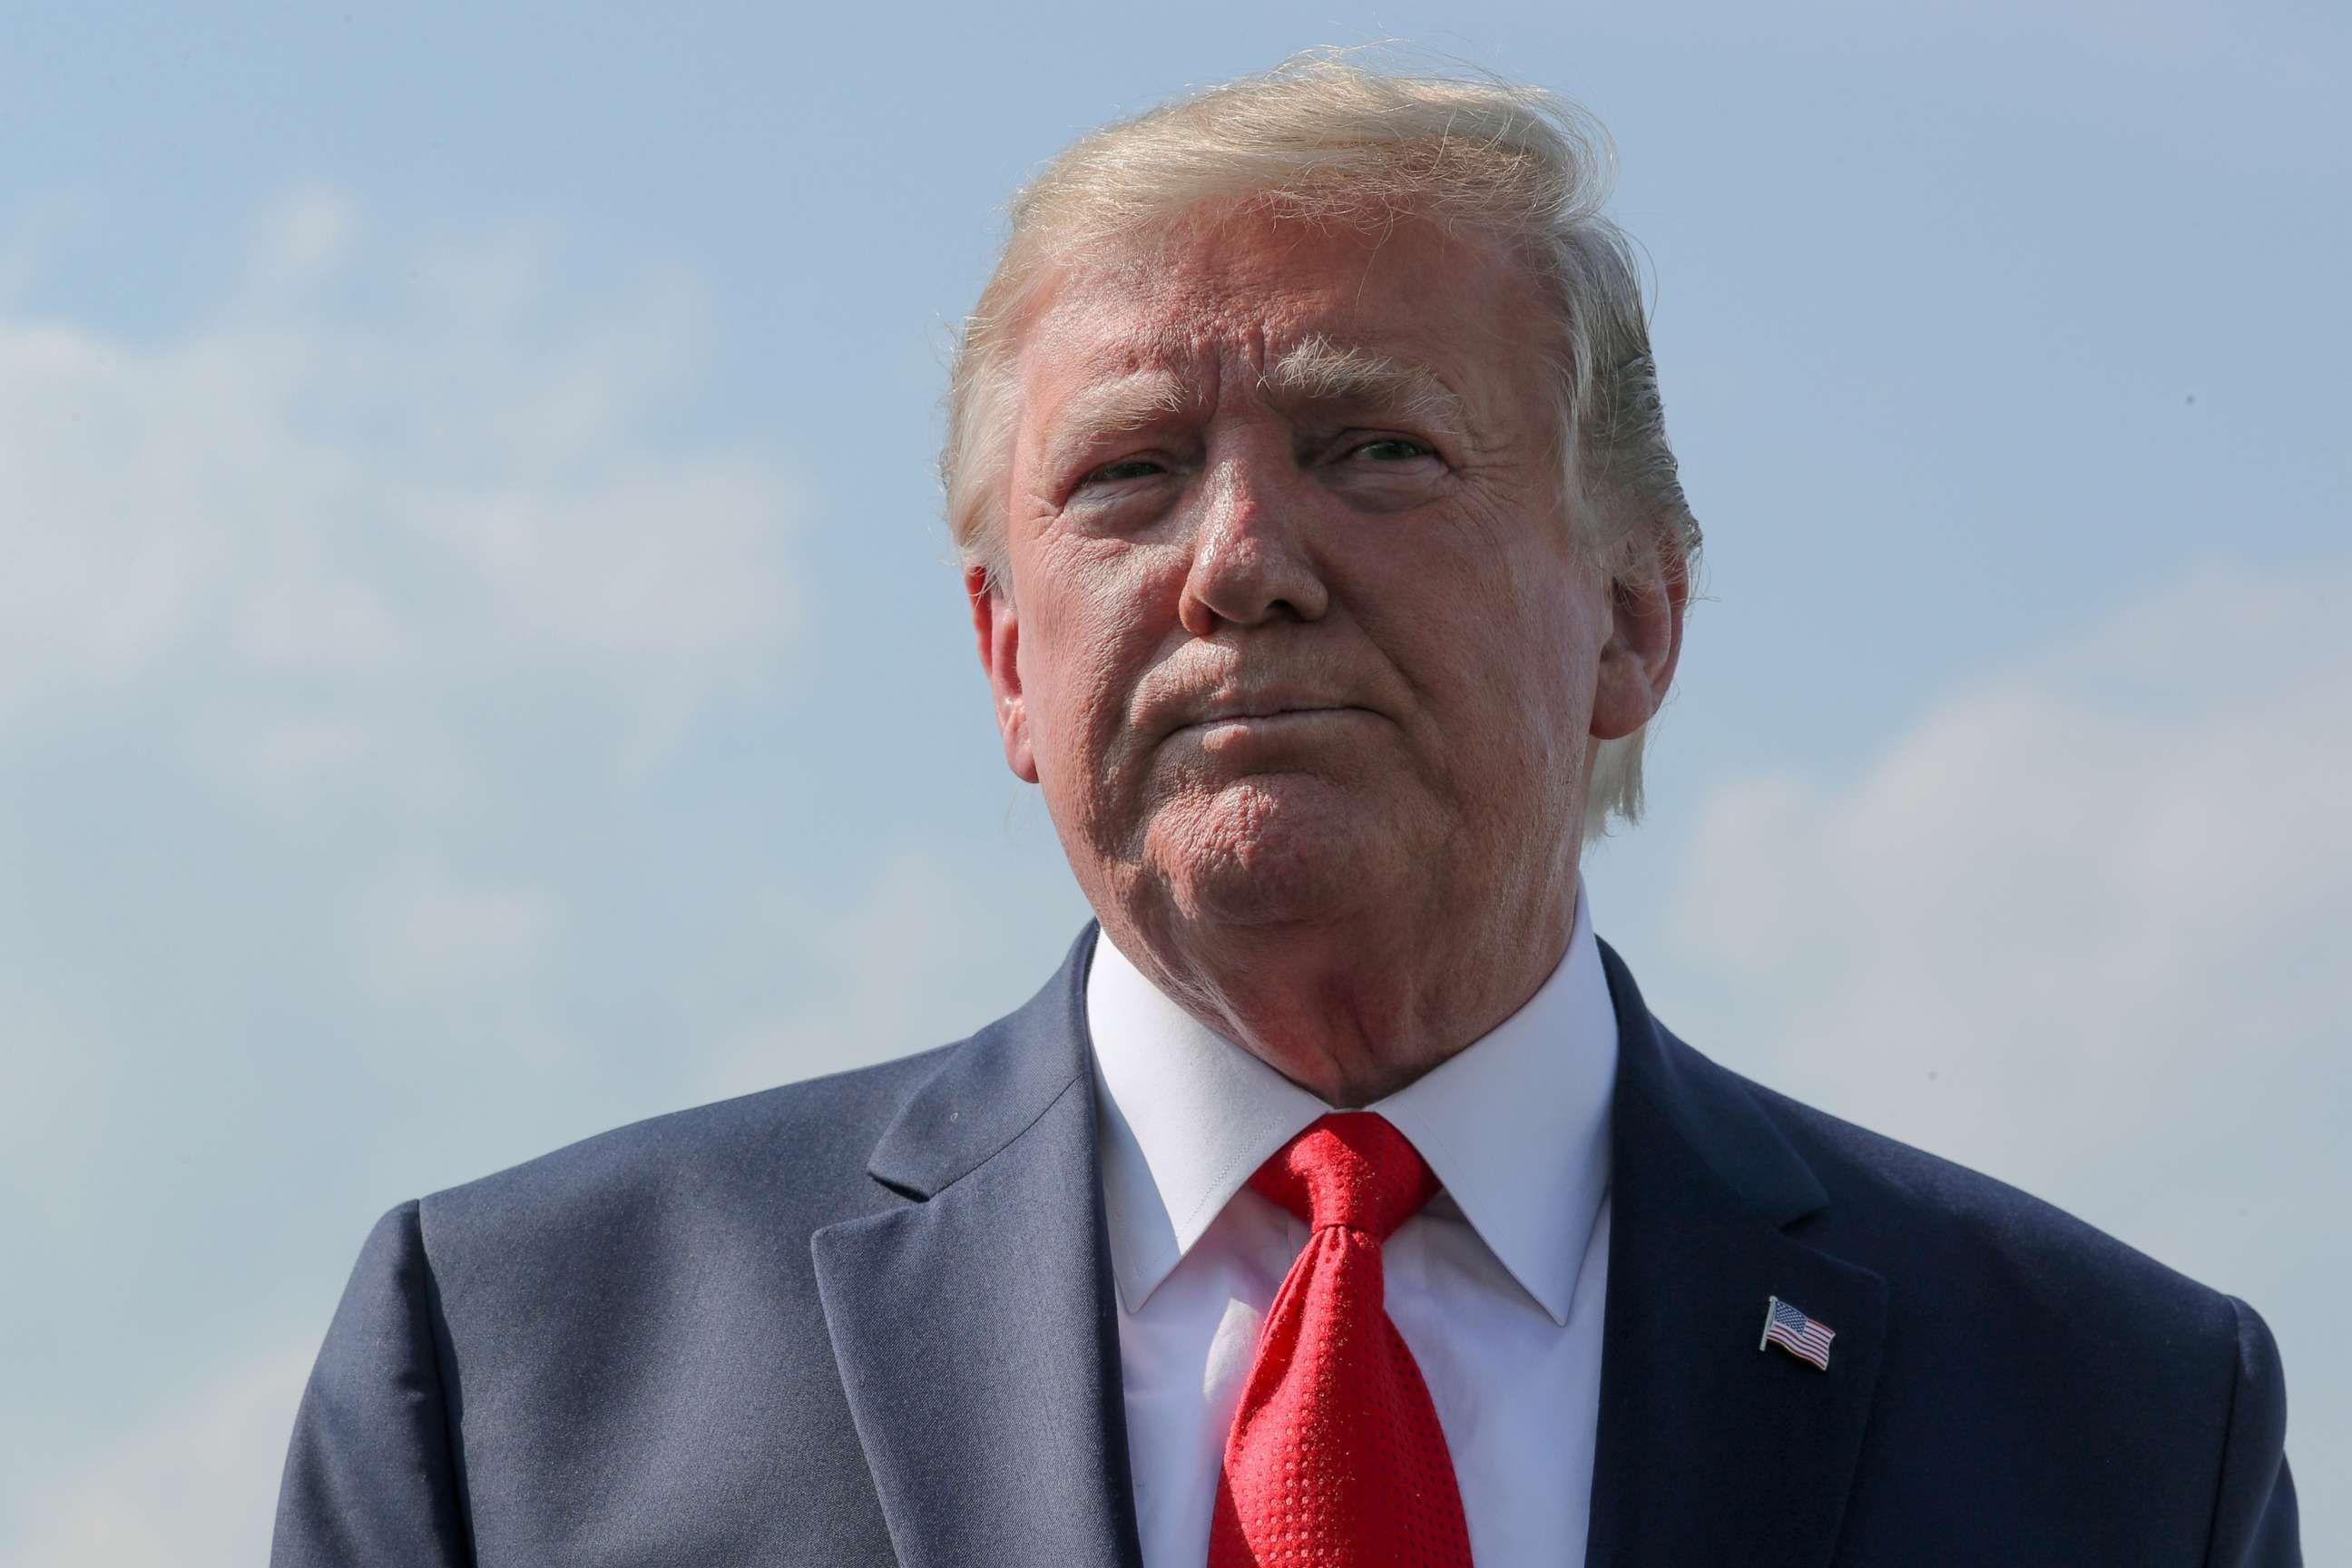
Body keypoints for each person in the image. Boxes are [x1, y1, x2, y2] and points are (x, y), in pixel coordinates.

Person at [270, 54, 2302, 1567]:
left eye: (1374, 446)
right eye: (1131, 474)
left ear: (1635, 613)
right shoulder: (527, 1378)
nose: (1242, 559)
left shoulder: (2111, 1423)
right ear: (1003, 661)